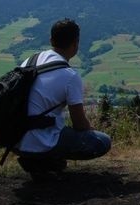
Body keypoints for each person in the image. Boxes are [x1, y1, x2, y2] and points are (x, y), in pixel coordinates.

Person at [15, 19, 111, 181]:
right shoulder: (70, 76)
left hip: (15, 139)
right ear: (76, 44)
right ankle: (45, 160)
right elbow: (79, 124)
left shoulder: (31, 60)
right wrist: (90, 130)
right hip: (40, 141)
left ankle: (39, 159)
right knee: (102, 141)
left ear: (51, 40)